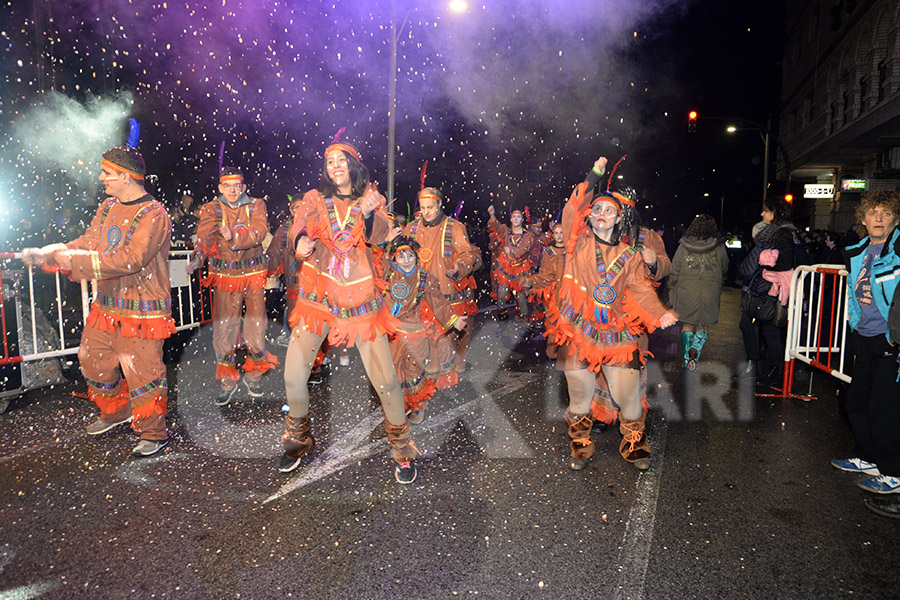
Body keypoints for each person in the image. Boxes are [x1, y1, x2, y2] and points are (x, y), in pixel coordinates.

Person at [280, 137, 419, 484]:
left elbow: (382, 236)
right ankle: (298, 442)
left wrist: (370, 213)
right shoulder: (315, 200)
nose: (335, 167)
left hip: (361, 304)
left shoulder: (369, 199)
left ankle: (402, 450)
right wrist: (300, 242)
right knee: (293, 376)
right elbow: (298, 225)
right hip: (318, 300)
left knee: (386, 382)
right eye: (330, 162)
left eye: (342, 161)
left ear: (354, 166)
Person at [22, 146, 175, 457]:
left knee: (143, 375)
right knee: (91, 361)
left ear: (126, 176)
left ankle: (153, 432)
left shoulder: (154, 214)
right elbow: (88, 243)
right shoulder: (107, 207)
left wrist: (76, 260)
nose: (101, 178)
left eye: (107, 173)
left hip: (142, 312)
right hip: (106, 307)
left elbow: (132, 258)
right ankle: (117, 411)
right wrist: (49, 252)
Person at [547, 156, 677, 471]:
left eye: (611, 210)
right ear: (589, 216)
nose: (602, 214)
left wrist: (659, 314)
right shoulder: (576, 244)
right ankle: (580, 445)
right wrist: (592, 176)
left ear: (621, 219)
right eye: (598, 209)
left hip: (619, 334)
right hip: (579, 333)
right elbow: (572, 209)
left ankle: (634, 444)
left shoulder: (632, 252)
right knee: (579, 399)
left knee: (629, 398)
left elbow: (642, 290)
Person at [832, 190, 900, 511]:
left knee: (884, 407)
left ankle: (893, 472)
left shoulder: (899, 249)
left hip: (890, 338)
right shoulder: (858, 250)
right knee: (857, 399)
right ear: (862, 218)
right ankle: (867, 458)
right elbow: (853, 291)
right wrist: (853, 324)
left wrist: (893, 336)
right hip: (864, 334)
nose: (879, 219)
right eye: (873, 213)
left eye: (886, 214)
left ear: (895, 219)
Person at [188, 167, 277, 406]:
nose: (232, 190)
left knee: (256, 323)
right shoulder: (211, 208)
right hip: (225, 274)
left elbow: (259, 231)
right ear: (219, 187)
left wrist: (233, 235)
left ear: (244, 187)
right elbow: (205, 236)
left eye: (237, 185)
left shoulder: (257, 205)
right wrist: (198, 257)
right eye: (227, 186)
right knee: (224, 327)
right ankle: (227, 379)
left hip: (253, 273)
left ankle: (255, 373)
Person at [382, 235, 467, 423]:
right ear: (394, 258)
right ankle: (401, 404)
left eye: (410, 256)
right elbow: (373, 261)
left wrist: (454, 320)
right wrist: (385, 241)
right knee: (394, 371)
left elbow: (438, 301)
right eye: (401, 257)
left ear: (417, 257)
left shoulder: (424, 277)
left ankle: (419, 406)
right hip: (389, 332)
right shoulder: (387, 271)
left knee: (414, 370)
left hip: (415, 331)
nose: (406, 261)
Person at [403, 186, 482, 387]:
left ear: (440, 204)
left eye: (431, 207)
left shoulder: (454, 226)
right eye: (423, 208)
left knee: (449, 335)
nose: (427, 212)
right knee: (424, 334)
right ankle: (430, 374)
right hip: (419, 292)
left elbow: (467, 253)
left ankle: (449, 377)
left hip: (446, 291)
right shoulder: (411, 228)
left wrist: (460, 267)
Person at [737, 197, 795, 387]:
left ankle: (773, 370)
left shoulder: (783, 233)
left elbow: (786, 261)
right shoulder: (767, 234)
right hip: (758, 287)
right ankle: (756, 366)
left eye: (766, 211)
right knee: (750, 325)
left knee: (768, 330)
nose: (762, 214)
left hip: (770, 289)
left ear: (776, 213)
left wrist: (764, 260)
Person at [668, 215, 729, 370]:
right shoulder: (719, 248)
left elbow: (674, 269)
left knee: (688, 325)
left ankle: (687, 359)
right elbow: (725, 268)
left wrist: (672, 286)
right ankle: (696, 349)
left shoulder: (683, 246)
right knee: (704, 325)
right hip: (710, 291)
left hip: (687, 291)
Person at [523, 222, 566, 357]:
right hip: (554, 293)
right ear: (552, 235)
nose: (559, 236)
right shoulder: (549, 252)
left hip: (570, 292)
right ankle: (552, 352)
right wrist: (532, 281)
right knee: (553, 321)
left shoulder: (572, 251)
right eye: (557, 233)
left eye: (562, 232)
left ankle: (566, 352)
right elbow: (545, 275)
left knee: (569, 323)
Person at [488, 206, 535, 320]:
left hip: (521, 269)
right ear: (510, 219)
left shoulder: (528, 235)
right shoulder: (506, 232)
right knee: (501, 292)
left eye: (518, 217)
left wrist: (511, 251)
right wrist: (492, 215)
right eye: (514, 217)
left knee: (520, 296)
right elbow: (497, 227)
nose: (516, 219)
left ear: (522, 219)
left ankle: (524, 318)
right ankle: (502, 313)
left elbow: (523, 249)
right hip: (506, 267)